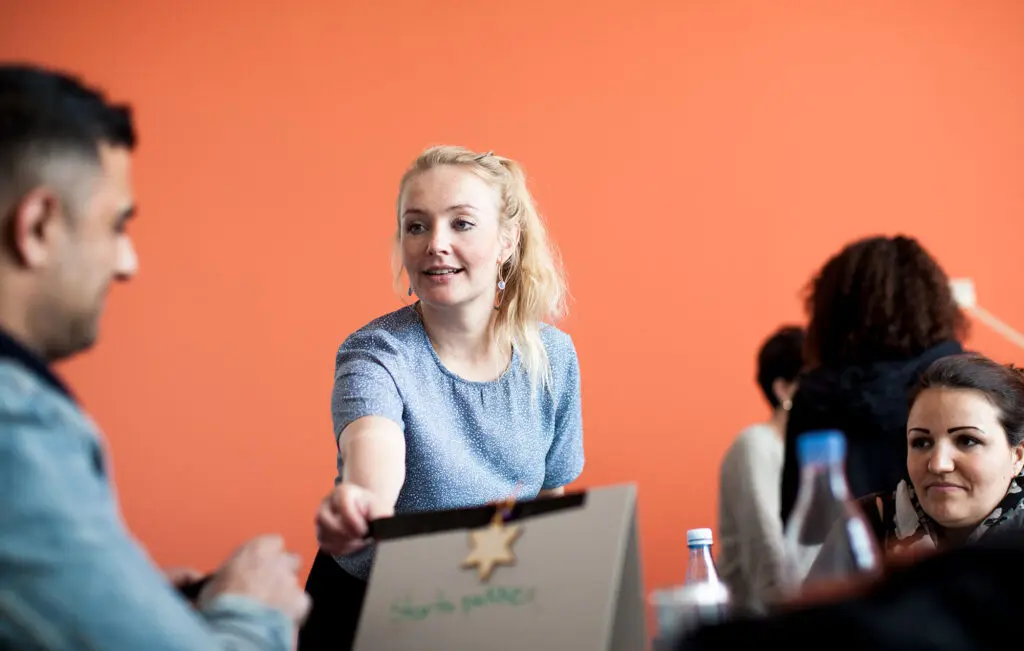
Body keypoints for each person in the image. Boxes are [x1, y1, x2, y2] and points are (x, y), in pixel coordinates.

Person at [0, 64, 309, 650]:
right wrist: (254, 610)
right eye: (116, 226)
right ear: (37, 227)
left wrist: (130, 603)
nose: (127, 264)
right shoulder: (15, 433)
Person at [301, 145, 584, 650]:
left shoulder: (553, 357)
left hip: (490, 605)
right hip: (371, 612)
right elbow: (373, 457)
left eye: (462, 224)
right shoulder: (376, 353)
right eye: (417, 226)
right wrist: (359, 507)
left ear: (507, 240)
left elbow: (549, 499)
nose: (436, 244)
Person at [780, 235, 967, 526]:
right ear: (933, 303)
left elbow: (799, 519)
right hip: (945, 552)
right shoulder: (962, 382)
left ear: (831, 311)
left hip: (844, 553)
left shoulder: (813, 398)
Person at [806, 353, 1024, 580]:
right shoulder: (863, 526)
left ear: (1017, 457)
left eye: (967, 441)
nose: (938, 464)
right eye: (921, 442)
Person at [717, 325, 805, 614]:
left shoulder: (805, 451)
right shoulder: (755, 446)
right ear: (783, 390)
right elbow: (767, 553)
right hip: (760, 621)